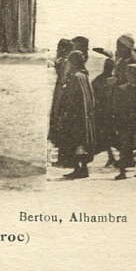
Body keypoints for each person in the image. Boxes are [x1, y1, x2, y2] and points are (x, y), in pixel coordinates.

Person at [54, 50, 96, 179]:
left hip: (75, 115)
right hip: (84, 115)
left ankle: (79, 169)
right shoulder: (84, 76)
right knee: (81, 142)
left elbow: (70, 97)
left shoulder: (75, 77)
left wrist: (63, 111)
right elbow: (91, 97)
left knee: (75, 141)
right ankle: (82, 168)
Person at [111, 63, 136, 180]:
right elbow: (118, 106)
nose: (127, 75)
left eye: (130, 73)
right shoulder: (123, 88)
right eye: (127, 73)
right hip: (126, 122)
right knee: (124, 146)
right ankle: (122, 171)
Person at [48, 38, 74, 153]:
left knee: (59, 115)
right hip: (62, 90)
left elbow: (63, 78)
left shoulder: (62, 61)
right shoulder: (66, 61)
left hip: (61, 90)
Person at [91, 56, 117, 167]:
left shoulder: (100, 79)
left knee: (108, 135)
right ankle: (111, 156)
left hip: (105, 111)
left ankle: (112, 157)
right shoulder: (110, 80)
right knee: (107, 135)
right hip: (104, 111)